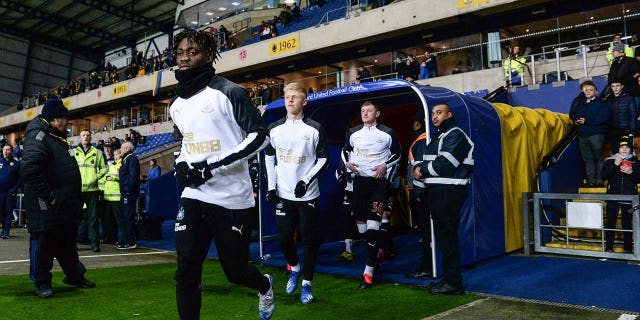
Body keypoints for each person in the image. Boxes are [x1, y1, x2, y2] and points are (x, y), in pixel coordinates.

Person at [169, 29, 274, 320]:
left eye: (193, 51)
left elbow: (260, 138)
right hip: (194, 194)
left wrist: (211, 166)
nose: (185, 57)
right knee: (187, 267)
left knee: (236, 272)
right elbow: (188, 142)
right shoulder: (176, 104)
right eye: (180, 52)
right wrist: (182, 161)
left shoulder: (230, 91)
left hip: (231, 197)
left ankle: (264, 284)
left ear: (208, 54)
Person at [20, 98, 96, 298]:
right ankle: (41, 282)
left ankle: (74, 275)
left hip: (64, 203)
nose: (67, 123)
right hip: (46, 204)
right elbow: (29, 169)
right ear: (55, 119)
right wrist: (48, 196)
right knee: (44, 242)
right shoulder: (38, 136)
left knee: (67, 241)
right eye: (65, 118)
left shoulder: (56, 137)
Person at [264, 82, 328, 304]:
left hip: (308, 195)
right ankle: (295, 267)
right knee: (284, 239)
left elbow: (323, 159)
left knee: (310, 241)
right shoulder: (274, 128)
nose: (290, 100)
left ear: (304, 101)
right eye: (288, 96)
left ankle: (307, 284)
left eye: (295, 97)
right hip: (283, 195)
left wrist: (306, 180)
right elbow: (269, 157)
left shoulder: (314, 129)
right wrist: (271, 187)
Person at [414, 103, 473, 295]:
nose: (434, 117)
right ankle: (449, 280)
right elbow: (429, 160)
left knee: (447, 238)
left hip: (449, 191)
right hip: (439, 191)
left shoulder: (455, 134)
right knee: (444, 238)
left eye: (439, 113)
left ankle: (454, 284)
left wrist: (421, 170)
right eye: (432, 114)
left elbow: (446, 164)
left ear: (449, 114)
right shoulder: (440, 135)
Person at [342, 101, 401, 289]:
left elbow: (397, 154)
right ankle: (377, 251)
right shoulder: (353, 133)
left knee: (374, 227)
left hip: (379, 185)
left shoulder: (387, 133)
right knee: (363, 231)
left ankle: (368, 273)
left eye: (369, 111)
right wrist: (347, 164)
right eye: (362, 111)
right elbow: (345, 151)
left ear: (377, 113)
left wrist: (385, 165)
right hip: (359, 184)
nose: (365, 113)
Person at [405, 110, 433, 280]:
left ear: (417, 123)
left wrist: (418, 194)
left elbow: (419, 171)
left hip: (423, 194)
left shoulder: (420, 141)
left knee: (426, 233)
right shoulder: (425, 139)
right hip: (424, 192)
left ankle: (427, 267)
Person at [601, 135, 640, 253]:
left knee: (627, 224)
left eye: (627, 147)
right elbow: (604, 176)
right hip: (612, 198)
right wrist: (615, 165)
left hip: (629, 199)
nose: (624, 149)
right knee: (610, 224)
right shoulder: (610, 161)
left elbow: (638, 179)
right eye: (622, 147)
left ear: (631, 149)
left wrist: (631, 173)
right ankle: (608, 249)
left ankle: (628, 250)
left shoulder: (635, 162)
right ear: (617, 148)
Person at [569, 80, 609, 187]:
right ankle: (591, 181)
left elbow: (604, 118)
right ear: (582, 91)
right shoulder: (579, 104)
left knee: (598, 158)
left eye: (591, 90)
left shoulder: (601, 104)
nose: (588, 91)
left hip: (596, 135)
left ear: (596, 91)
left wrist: (586, 121)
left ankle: (600, 180)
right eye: (586, 90)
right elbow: (573, 115)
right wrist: (576, 120)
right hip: (582, 136)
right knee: (588, 160)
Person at [74, 129, 107, 252]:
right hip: (78, 190)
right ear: (80, 137)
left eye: (88, 135)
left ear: (91, 137)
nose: (86, 137)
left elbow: (104, 169)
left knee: (93, 218)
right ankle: (73, 243)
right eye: (83, 135)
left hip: (92, 190)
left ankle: (94, 243)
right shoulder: (73, 152)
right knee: (75, 218)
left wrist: (95, 177)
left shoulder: (97, 152)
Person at [605, 80, 638, 153]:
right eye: (613, 86)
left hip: (626, 130)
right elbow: (606, 115)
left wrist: (631, 129)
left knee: (628, 152)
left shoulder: (629, 98)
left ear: (622, 86)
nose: (615, 88)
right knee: (615, 152)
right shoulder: (608, 99)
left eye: (617, 86)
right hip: (613, 130)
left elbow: (633, 114)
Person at [118, 141, 140, 250]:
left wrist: (127, 190)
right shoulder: (126, 159)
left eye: (122, 148)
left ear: (127, 148)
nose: (120, 150)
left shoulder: (131, 158)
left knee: (128, 217)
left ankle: (130, 241)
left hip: (129, 193)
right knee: (125, 217)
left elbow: (133, 176)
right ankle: (126, 239)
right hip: (126, 192)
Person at [0, 145, 21, 239]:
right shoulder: (0, 162)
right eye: (4, 150)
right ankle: (3, 228)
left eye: (8, 150)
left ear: (11, 151)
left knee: (8, 210)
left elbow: (20, 178)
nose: (5, 151)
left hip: (10, 191)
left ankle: (6, 231)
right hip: (0, 191)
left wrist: (15, 188)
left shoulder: (16, 163)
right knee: (1, 211)